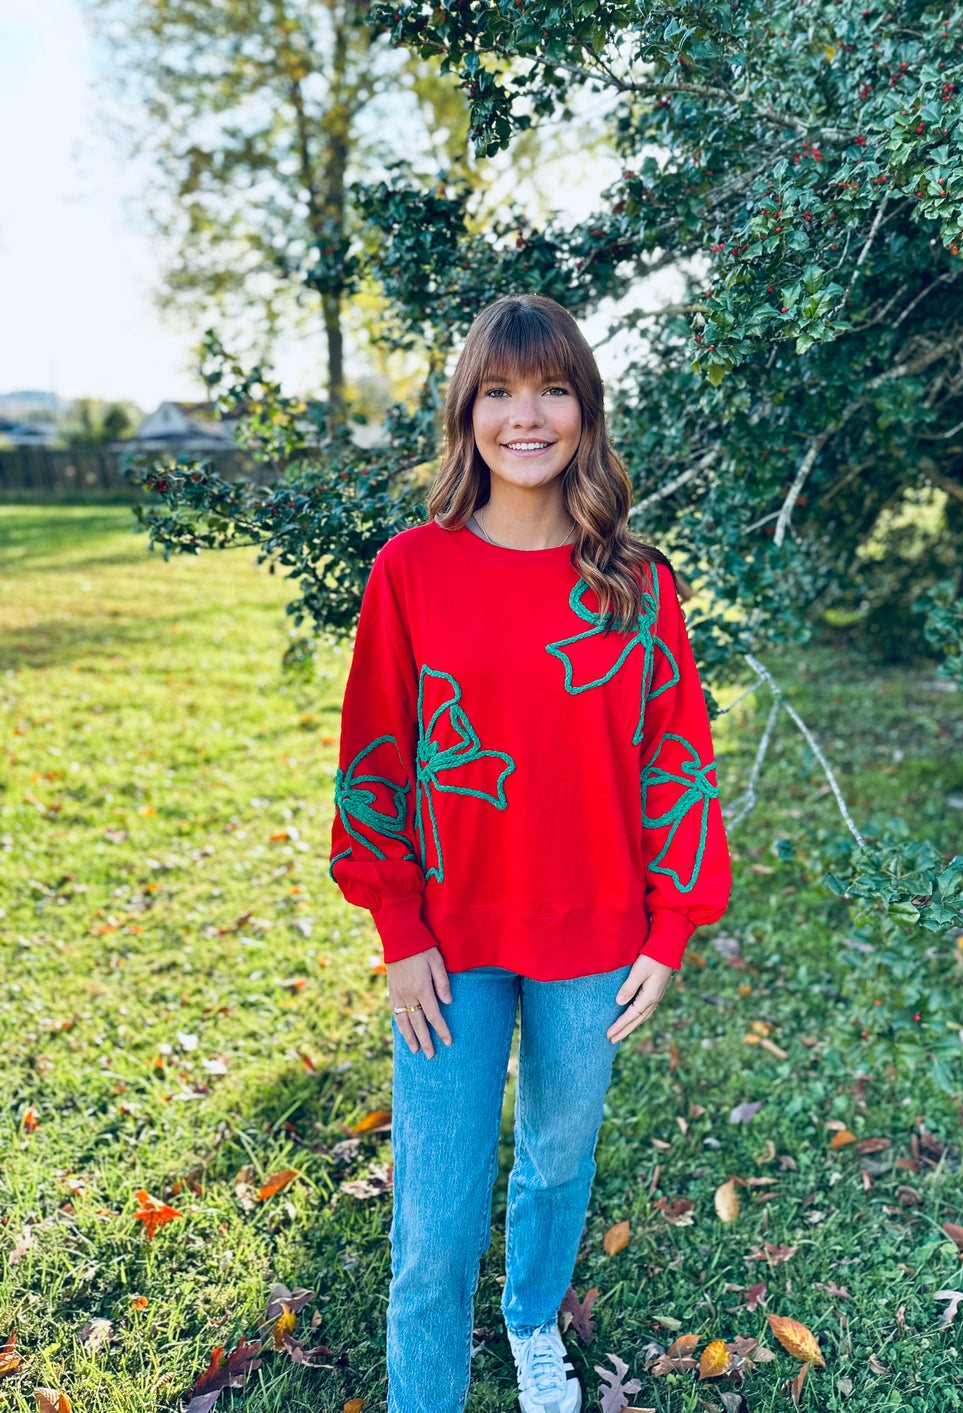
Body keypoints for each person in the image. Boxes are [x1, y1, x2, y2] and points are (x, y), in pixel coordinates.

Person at [328, 293, 731, 1413]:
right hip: (448, 942)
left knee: (557, 1162)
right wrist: (396, 932)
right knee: (436, 1211)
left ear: (584, 412)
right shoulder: (411, 569)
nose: (526, 414)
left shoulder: (636, 582)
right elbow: (376, 753)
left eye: (551, 388)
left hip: (595, 935)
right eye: (499, 390)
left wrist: (670, 922)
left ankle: (528, 1319)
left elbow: (674, 753)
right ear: (467, 412)